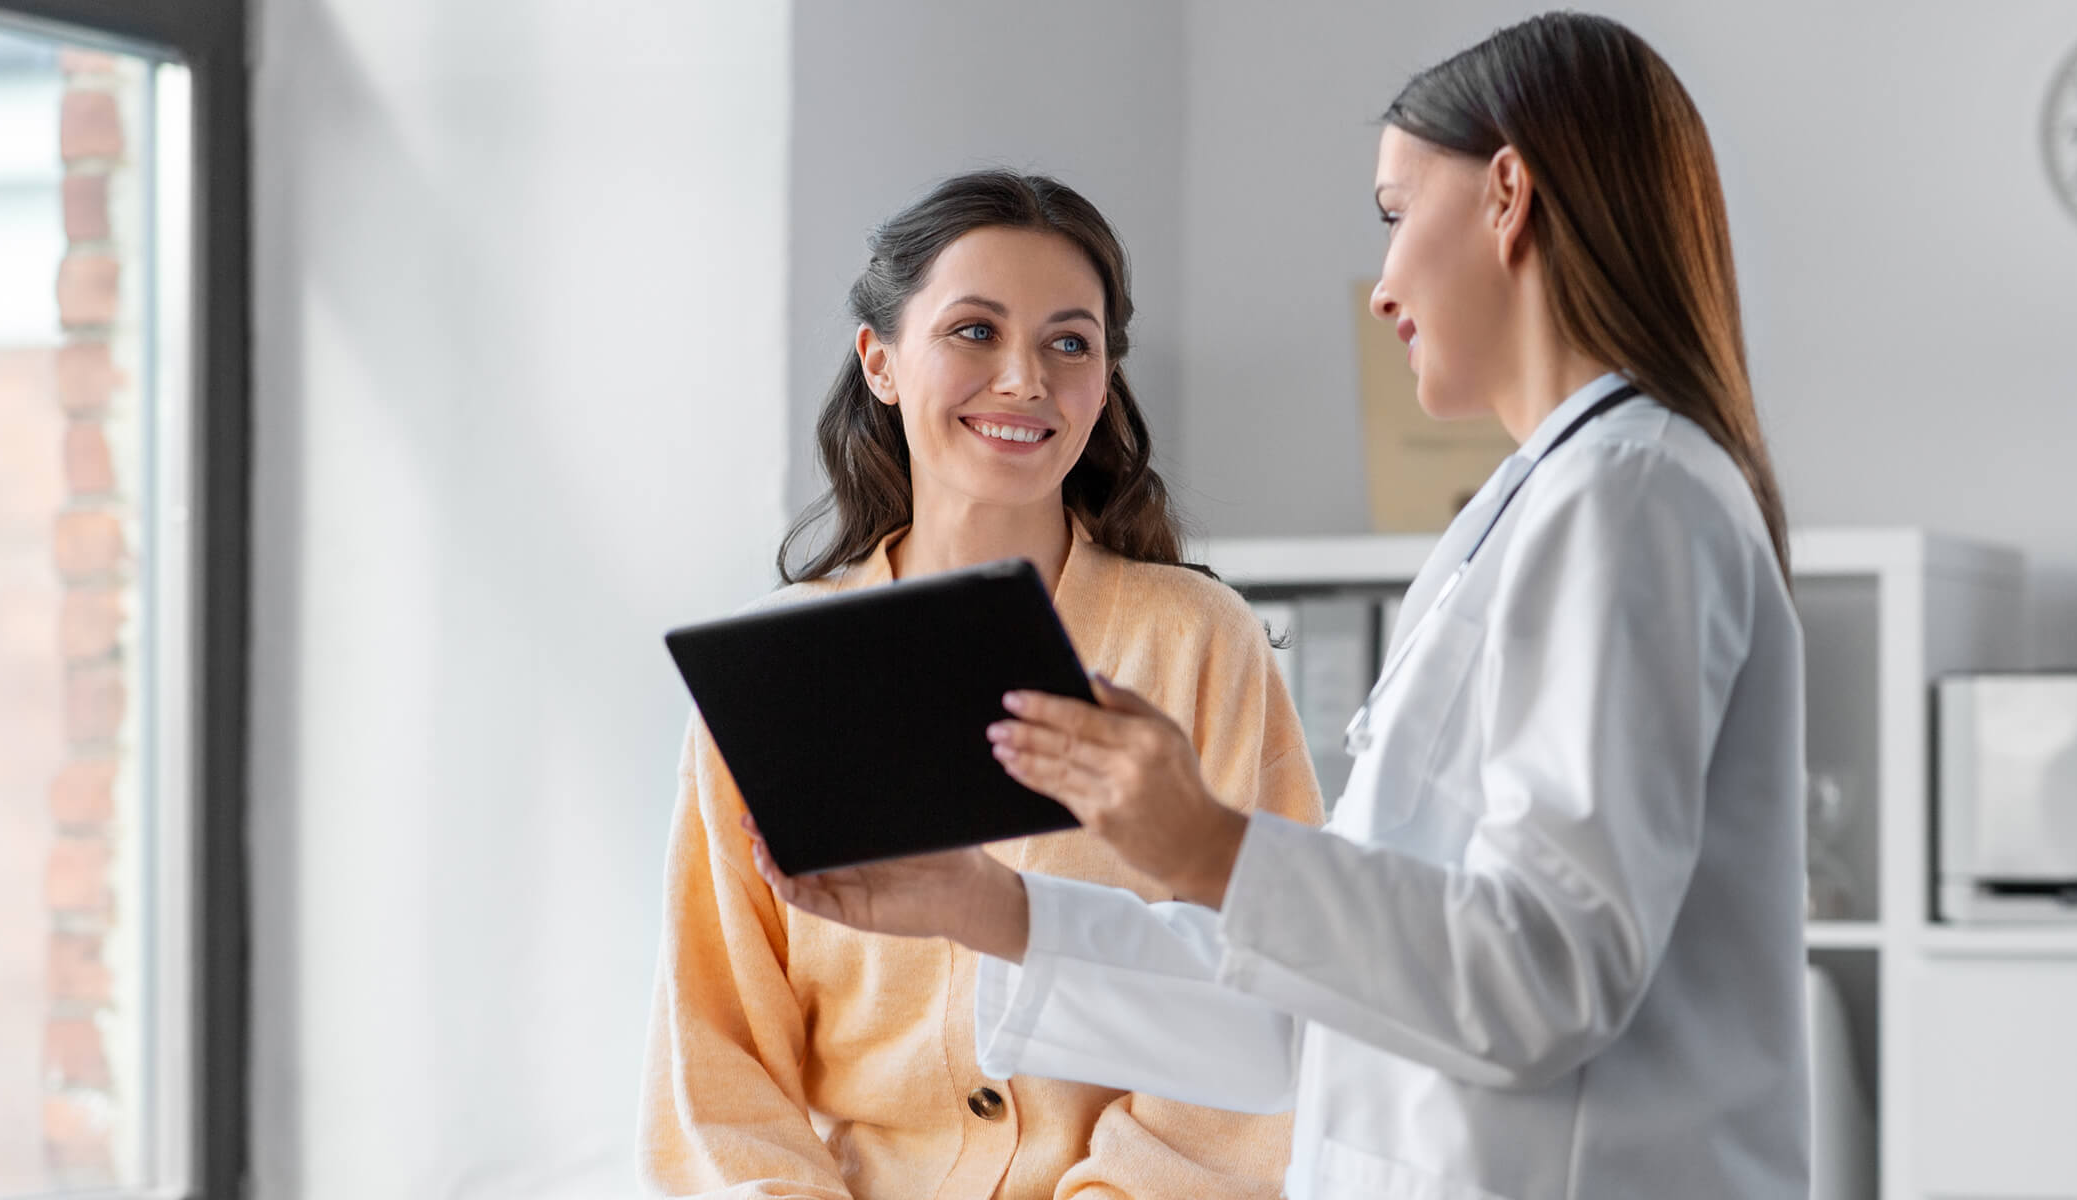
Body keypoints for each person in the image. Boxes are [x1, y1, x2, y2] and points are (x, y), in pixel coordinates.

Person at [754, 14, 1810, 1200]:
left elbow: (1542, 978)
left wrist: (1210, 846)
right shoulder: (1544, 510)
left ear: (1508, 194)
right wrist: (990, 909)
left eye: (1396, 215)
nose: (1385, 286)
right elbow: (1293, 1027)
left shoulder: (1635, 499)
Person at [639, 170, 1324, 1200]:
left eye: (1069, 341)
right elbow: (716, 1061)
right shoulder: (773, 675)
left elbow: (1275, 990)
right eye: (974, 331)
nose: (1025, 380)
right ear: (880, 361)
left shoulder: (1196, 644)